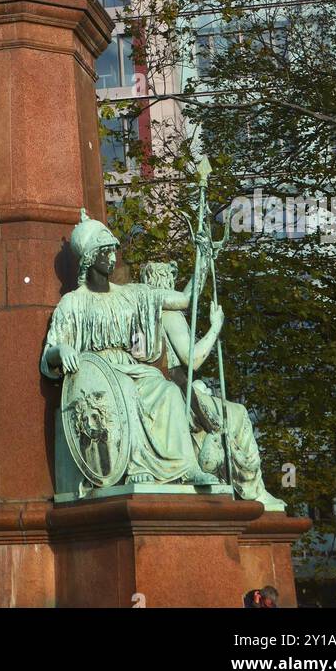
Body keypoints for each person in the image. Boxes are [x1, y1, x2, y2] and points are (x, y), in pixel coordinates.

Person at [41, 211, 219, 486]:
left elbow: (184, 299)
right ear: (89, 258)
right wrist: (63, 350)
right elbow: (50, 352)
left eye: (113, 251)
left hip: (130, 366)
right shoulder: (73, 303)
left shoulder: (132, 294)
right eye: (104, 253)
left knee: (168, 391)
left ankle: (186, 467)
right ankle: (134, 466)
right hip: (99, 373)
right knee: (126, 392)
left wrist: (204, 259)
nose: (112, 258)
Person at [140, 260, 285, 509]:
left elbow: (188, 295)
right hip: (177, 388)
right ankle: (253, 489)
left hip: (162, 389)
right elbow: (192, 359)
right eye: (171, 279)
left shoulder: (144, 310)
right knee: (238, 413)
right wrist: (215, 326)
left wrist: (203, 262)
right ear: (165, 282)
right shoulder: (169, 313)